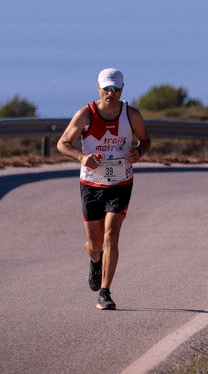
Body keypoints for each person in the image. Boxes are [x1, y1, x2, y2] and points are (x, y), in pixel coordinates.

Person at [57, 67, 151, 310]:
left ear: (122, 89)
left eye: (116, 88)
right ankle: (95, 260)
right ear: (98, 88)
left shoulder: (131, 115)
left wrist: (138, 152)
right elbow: (63, 143)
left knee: (112, 234)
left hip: (121, 182)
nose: (111, 93)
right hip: (91, 183)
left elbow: (145, 139)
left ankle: (105, 291)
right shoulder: (85, 115)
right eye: (107, 88)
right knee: (94, 243)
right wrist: (81, 156)